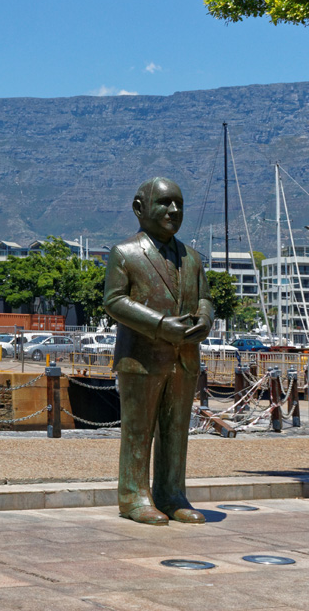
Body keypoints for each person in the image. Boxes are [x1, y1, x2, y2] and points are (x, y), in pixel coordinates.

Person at [103, 177, 213, 525]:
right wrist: (161, 325)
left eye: (179, 204)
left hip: (184, 359)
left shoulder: (192, 258)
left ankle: (171, 493)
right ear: (140, 209)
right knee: (139, 431)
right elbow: (114, 301)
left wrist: (206, 319)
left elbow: (205, 299)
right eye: (165, 203)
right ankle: (134, 495)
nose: (174, 211)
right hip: (142, 357)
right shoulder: (125, 253)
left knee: (176, 429)